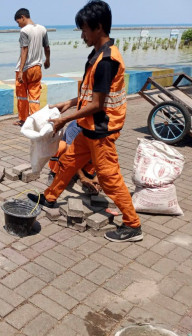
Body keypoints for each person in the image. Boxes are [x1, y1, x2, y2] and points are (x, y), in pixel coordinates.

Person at [28, 0, 143, 242]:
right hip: (89, 127)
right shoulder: (98, 54)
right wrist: (69, 103)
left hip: (101, 130)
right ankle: (49, 198)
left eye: (84, 29)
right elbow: (91, 94)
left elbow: (98, 104)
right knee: (68, 161)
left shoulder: (107, 61)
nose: (82, 35)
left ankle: (132, 225)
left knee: (110, 180)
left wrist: (64, 120)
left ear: (98, 27)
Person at [14, 8, 51, 127]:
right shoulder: (42, 29)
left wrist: (20, 71)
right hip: (37, 67)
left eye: (18, 22)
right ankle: (36, 120)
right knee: (35, 96)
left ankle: (23, 119)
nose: (18, 25)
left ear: (23, 17)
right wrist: (47, 60)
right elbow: (47, 47)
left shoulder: (24, 31)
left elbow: (24, 49)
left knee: (22, 95)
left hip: (25, 68)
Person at [48, 121, 101, 194]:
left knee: (96, 151)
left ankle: (85, 175)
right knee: (61, 146)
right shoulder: (75, 126)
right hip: (70, 155)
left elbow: (105, 156)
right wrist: (82, 177)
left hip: (82, 154)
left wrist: (98, 179)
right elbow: (71, 155)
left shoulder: (103, 129)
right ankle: (54, 173)